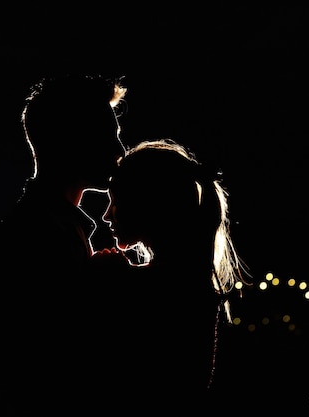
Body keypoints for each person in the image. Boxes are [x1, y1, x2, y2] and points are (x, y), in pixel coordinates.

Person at [0, 73, 127, 416]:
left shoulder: (46, 225)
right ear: (71, 140)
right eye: (108, 137)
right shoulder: (38, 237)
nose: (120, 151)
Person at [90, 138, 251, 406]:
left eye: (115, 201)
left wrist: (110, 274)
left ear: (147, 205)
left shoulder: (152, 287)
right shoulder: (191, 283)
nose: (106, 215)